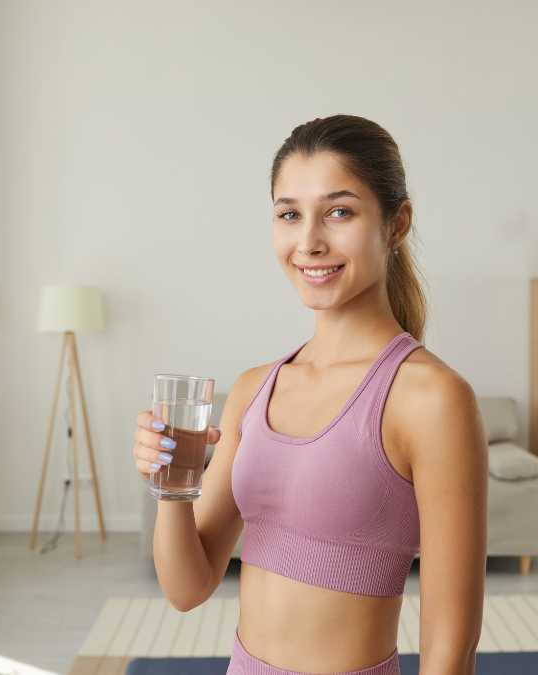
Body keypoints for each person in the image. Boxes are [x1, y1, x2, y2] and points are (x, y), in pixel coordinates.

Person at [132, 114, 488, 675]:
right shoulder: (253, 389)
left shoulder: (431, 398)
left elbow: (451, 648)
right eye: (289, 214)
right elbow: (187, 587)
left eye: (339, 212)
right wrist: (172, 486)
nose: (309, 242)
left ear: (396, 224)